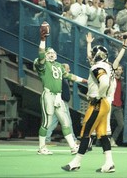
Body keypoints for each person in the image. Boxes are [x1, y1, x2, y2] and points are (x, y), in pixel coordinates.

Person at [61, 32, 127, 172]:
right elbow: (99, 67)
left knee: (86, 131)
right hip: (105, 103)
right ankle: (109, 163)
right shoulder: (107, 66)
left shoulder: (97, 67)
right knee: (103, 134)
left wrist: (98, 95)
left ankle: (76, 162)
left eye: (92, 54)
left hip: (98, 102)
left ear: (96, 56)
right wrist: (89, 44)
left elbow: (103, 81)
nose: (90, 56)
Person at [34, 22, 87, 155]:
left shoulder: (59, 65)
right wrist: (42, 40)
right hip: (48, 95)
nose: (51, 54)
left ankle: (72, 146)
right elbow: (40, 55)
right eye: (49, 53)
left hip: (58, 96)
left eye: (53, 52)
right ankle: (41, 147)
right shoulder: (43, 64)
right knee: (46, 122)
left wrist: (84, 80)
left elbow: (69, 76)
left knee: (65, 122)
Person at [45, 63, 77, 144]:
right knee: (67, 121)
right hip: (61, 102)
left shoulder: (64, 78)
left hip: (61, 102)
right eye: (67, 68)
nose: (69, 70)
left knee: (53, 122)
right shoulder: (60, 78)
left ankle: (46, 139)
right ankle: (73, 139)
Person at [110, 64, 125, 147]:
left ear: (122, 71)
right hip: (110, 104)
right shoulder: (111, 80)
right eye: (117, 69)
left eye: (120, 69)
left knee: (121, 124)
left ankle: (112, 140)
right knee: (105, 123)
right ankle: (102, 141)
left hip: (119, 106)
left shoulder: (123, 81)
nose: (118, 71)